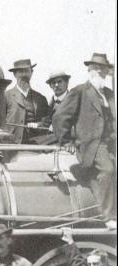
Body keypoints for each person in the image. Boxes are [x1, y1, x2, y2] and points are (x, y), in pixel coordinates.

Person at [52, 53, 116, 229]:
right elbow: (59, 116)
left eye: (102, 69)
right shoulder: (80, 91)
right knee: (108, 170)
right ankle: (109, 216)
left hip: (110, 142)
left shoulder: (109, 94)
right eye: (96, 68)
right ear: (90, 70)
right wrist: (66, 141)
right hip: (91, 145)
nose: (99, 72)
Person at [4, 59, 53, 144]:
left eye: (27, 71)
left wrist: (38, 124)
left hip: (36, 146)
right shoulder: (6, 96)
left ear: (31, 73)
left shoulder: (41, 98)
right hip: (12, 145)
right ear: (15, 74)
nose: (24, 75)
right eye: (20, 72)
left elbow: (47, 121)